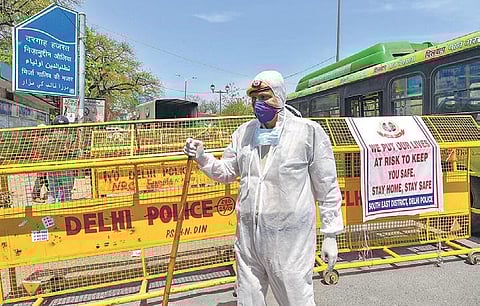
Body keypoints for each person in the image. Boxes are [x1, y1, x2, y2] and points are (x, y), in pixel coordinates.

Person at [184, 70, 343, 305]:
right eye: (254, 98)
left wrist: (330, 234)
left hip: (290, 241)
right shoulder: (244, 134)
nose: (258, 103)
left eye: (265, 97)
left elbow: (327, 186)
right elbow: (227, 171)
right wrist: (203, 158)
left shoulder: (307, 133)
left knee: (295, 299)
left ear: (280, 96)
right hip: (249, 239)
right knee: (248, 299)